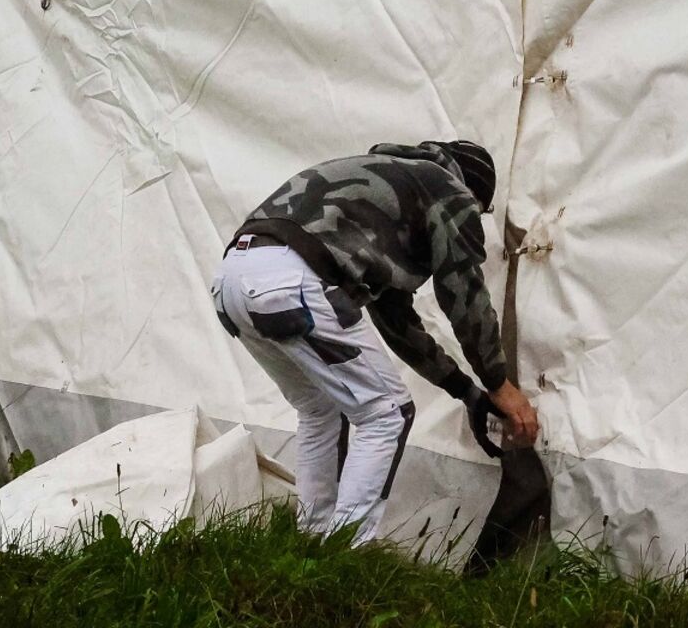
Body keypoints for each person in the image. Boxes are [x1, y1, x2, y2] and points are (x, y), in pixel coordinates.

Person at [211, 139, 539, 542]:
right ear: (473, 194)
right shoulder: (449, 191)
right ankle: (345, 552)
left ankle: (309, 545)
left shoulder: (393, 184)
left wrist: (467, 393)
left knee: (320, 411)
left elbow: (397, 323)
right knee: (387, 413)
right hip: (293, 279)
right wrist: (499, 384)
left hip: (232, 280)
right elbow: (464, 294)